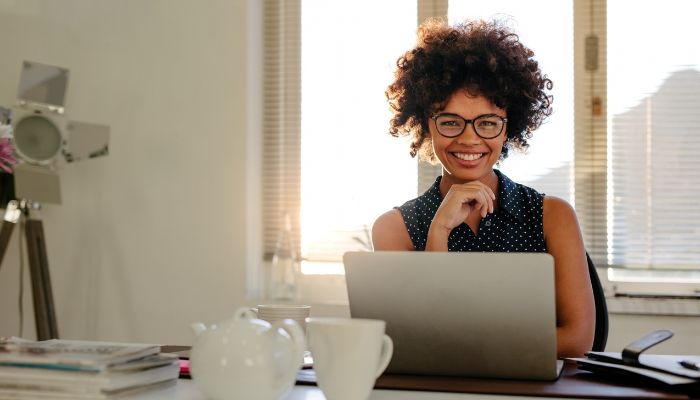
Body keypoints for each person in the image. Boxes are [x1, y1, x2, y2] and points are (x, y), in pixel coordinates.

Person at [372, 18, 594, 358]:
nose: (469, 138)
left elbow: (577, 339)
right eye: (450, 121)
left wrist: (468, 344)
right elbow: (415, 336)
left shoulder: (553, 216)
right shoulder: (394, 228)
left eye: (487, 123)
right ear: (426, 126)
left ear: (509, 128)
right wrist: (439, 232)